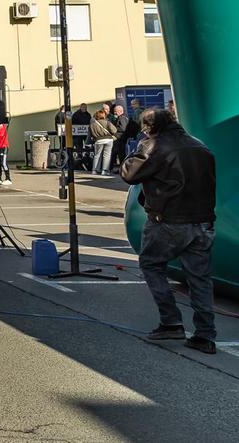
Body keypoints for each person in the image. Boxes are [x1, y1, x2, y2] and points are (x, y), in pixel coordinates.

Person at [120, 107, 217, 355]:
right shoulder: (199, 145)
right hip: (202, 221)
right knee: (200, 278)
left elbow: (129, 174)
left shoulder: (154, 146)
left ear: (150, 127)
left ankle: (171, 321)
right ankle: (205, 335)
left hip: (168, 220)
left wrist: (141, 147)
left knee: (151, 264)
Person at [89, 110, 117, 176]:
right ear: (103, 115)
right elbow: (114, 130)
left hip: (98, 141)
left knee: (97, 155)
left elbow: (91, 133)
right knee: (107, 155)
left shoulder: (92, 124)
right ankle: (104, 171)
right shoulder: (107, 122)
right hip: (108, 140)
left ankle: (95, 170)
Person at [71, 103, 92, 171]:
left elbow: (90, 122)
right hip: (78, 134)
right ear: (80, 108)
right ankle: (79, 158)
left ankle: (87, 156)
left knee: (87, 145)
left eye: (85, 108)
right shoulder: (76, 115)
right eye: (83, 108)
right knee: (79, 146)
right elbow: (72, 124)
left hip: (86, 133)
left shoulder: (88, 114)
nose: (84, 109)